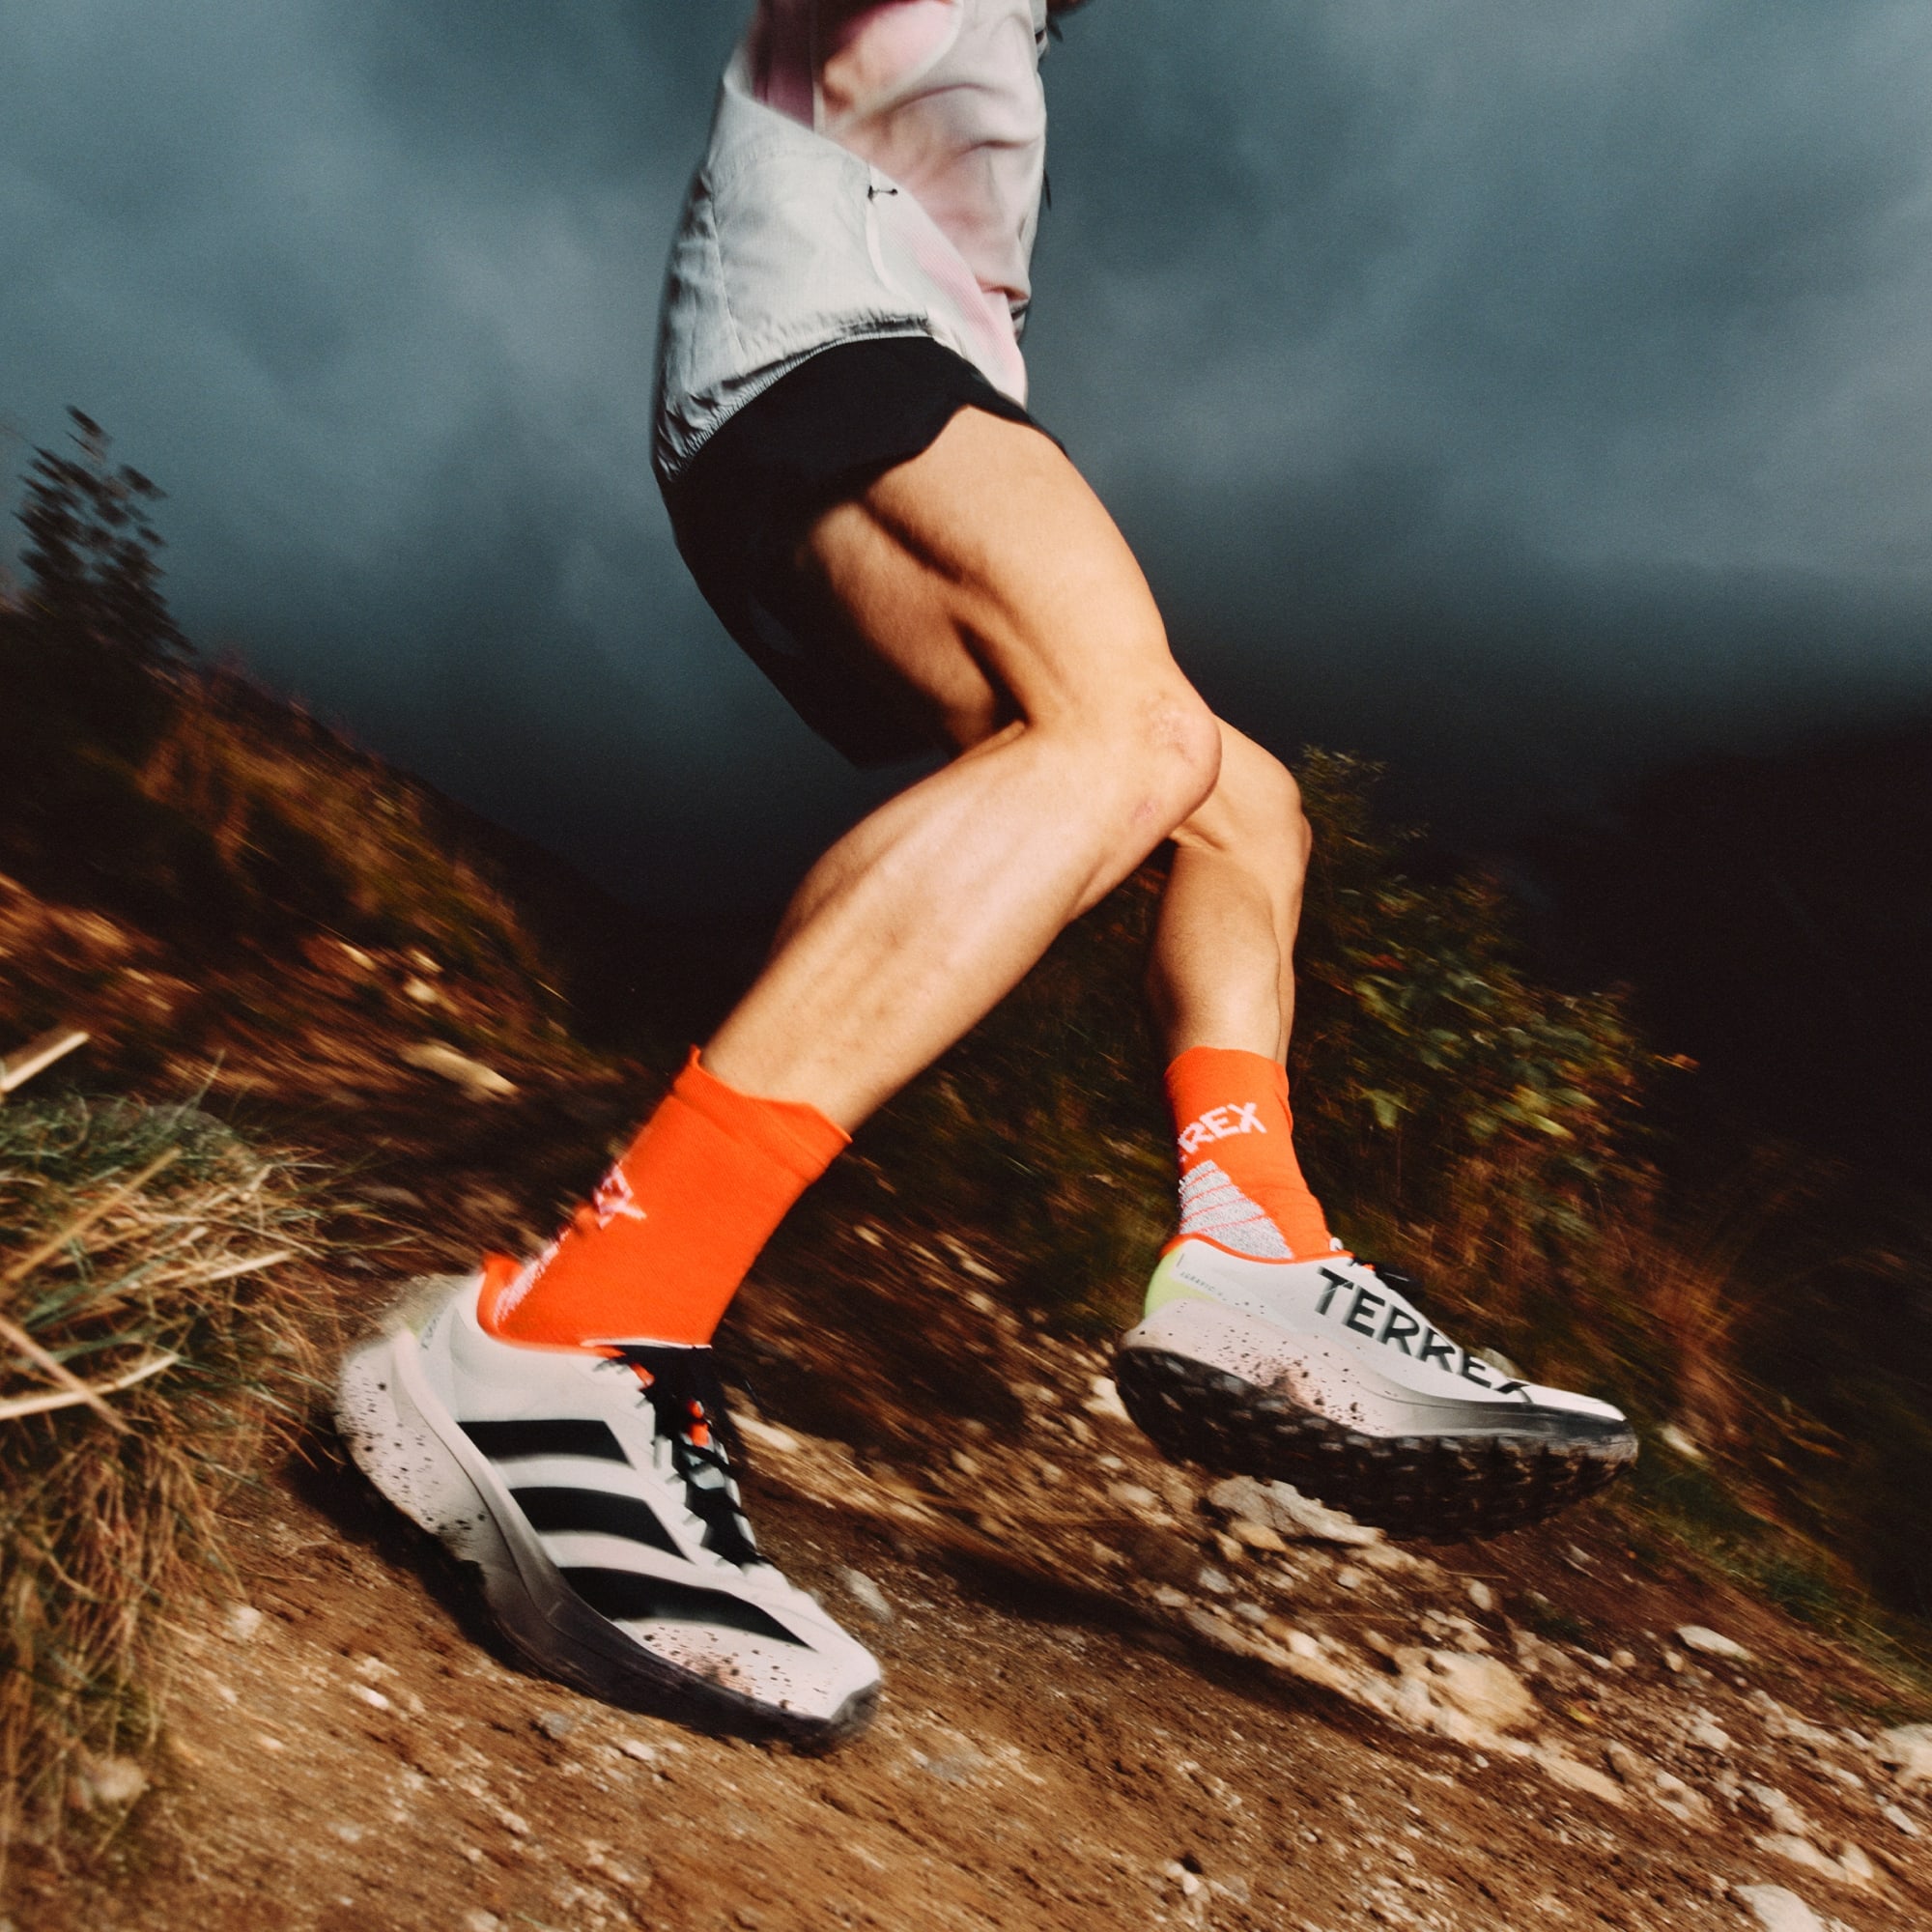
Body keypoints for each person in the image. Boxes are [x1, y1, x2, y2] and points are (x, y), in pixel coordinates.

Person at [337, 0, 1635, 1746]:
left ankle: (1256, 1245)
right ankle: (578, 1333)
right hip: (827, 350)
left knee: (1239, 808)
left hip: (858, 367)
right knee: (1127, 733)